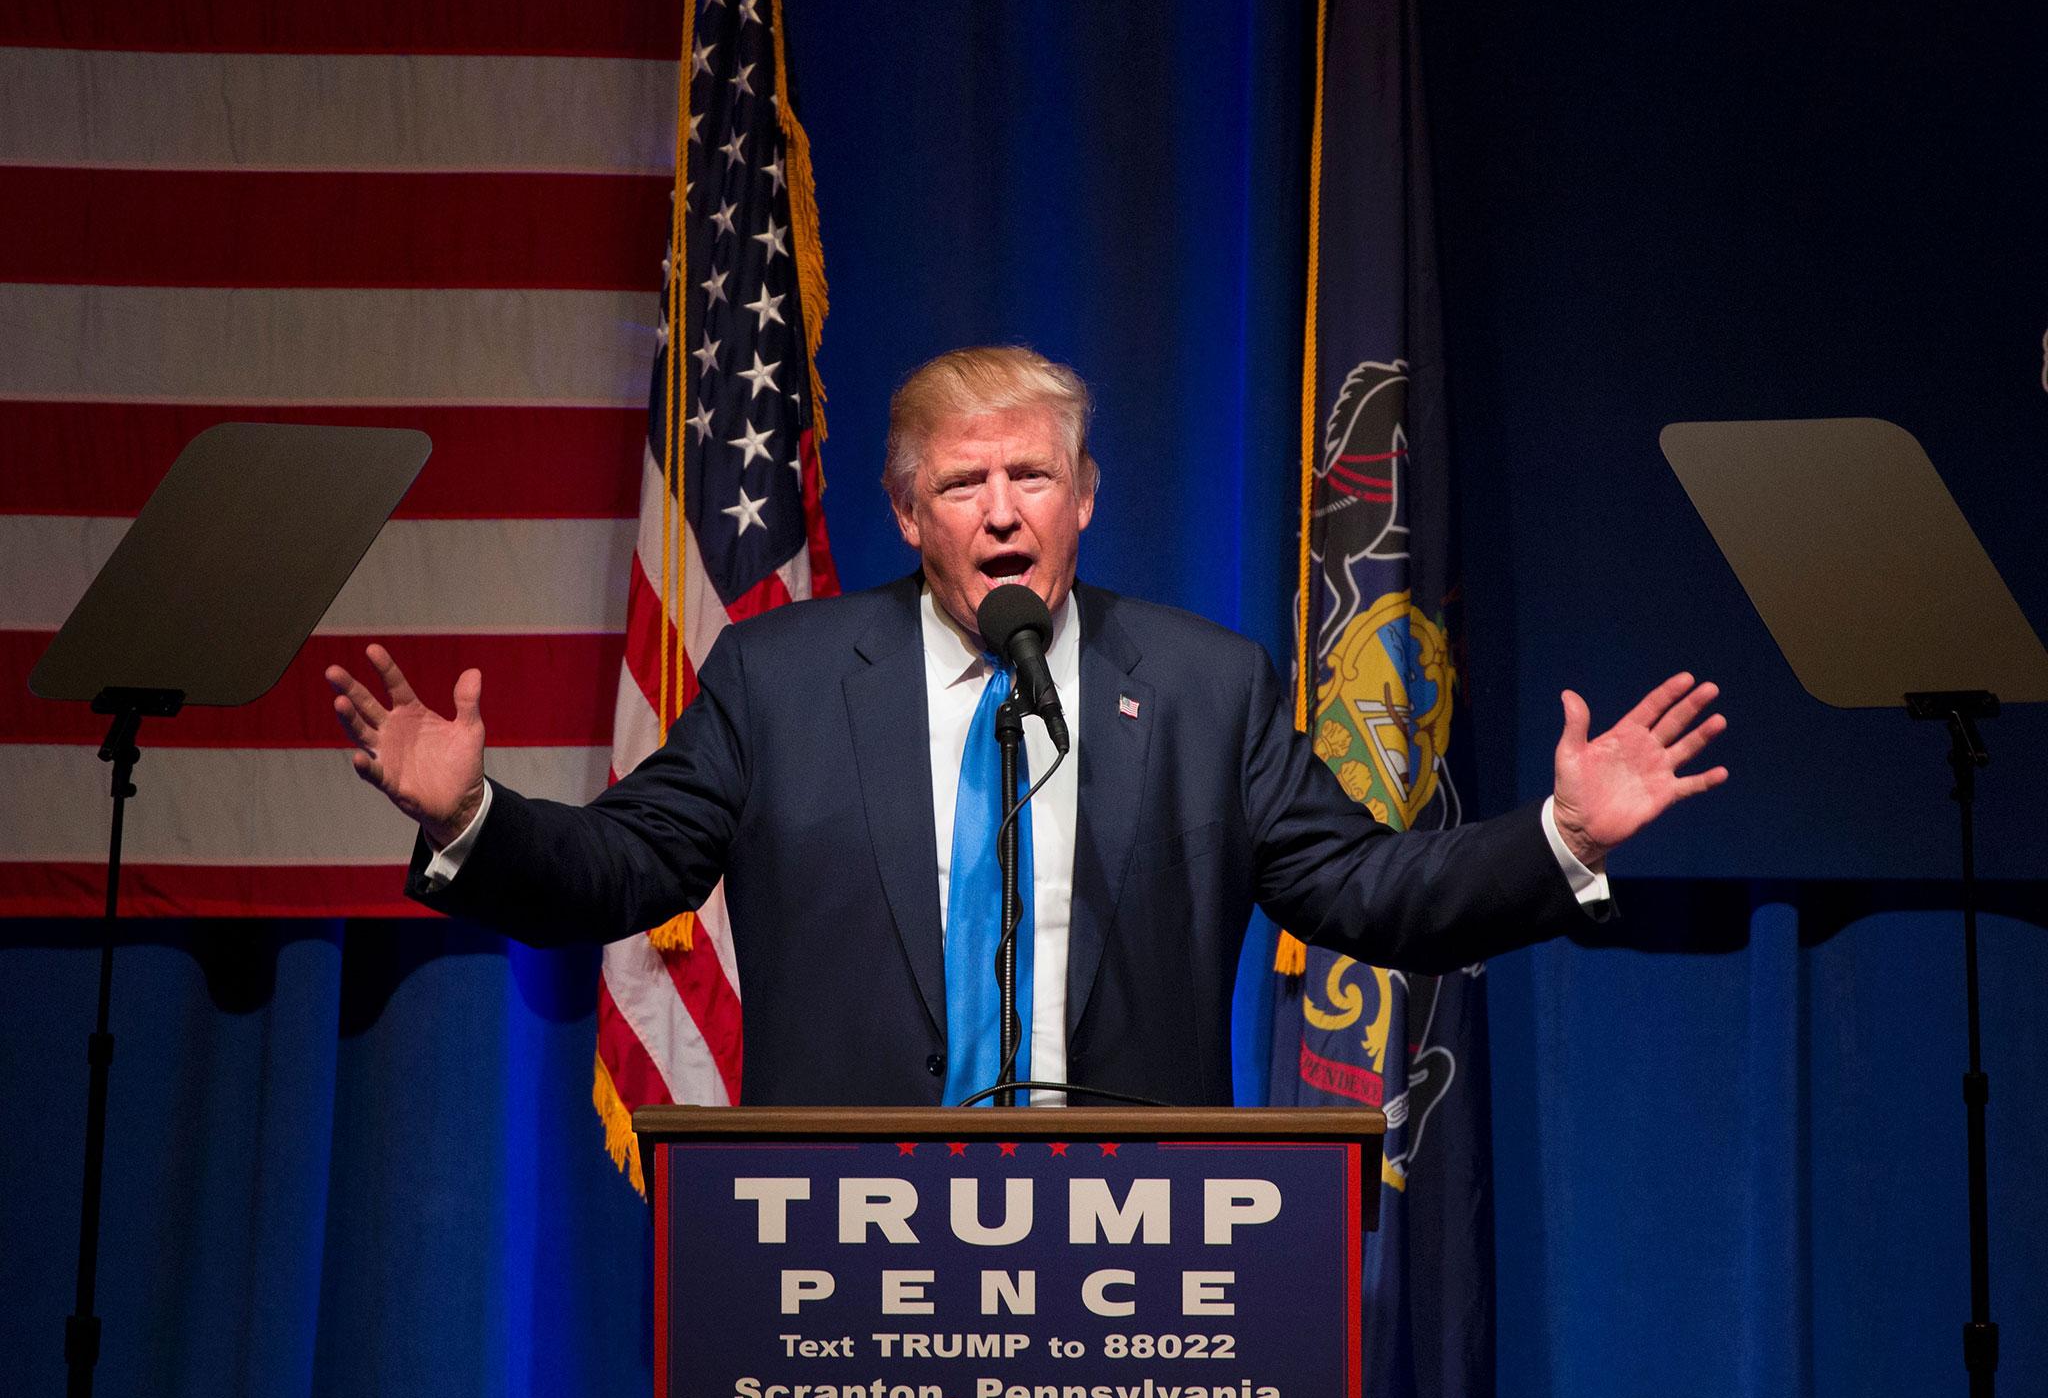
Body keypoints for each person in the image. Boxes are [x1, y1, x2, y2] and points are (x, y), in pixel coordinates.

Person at [327, 346, 1726, 1106]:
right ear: (907, 515)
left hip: (1139, 1239)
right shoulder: (780, 676)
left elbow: (1365, 889)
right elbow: (627, 870)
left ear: (1086, 498)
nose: (1001, 510)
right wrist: (473, 819)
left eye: (1032, 476)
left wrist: (1557, 839)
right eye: (963, 483)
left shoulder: (1200, 685)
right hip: (846, 1228)